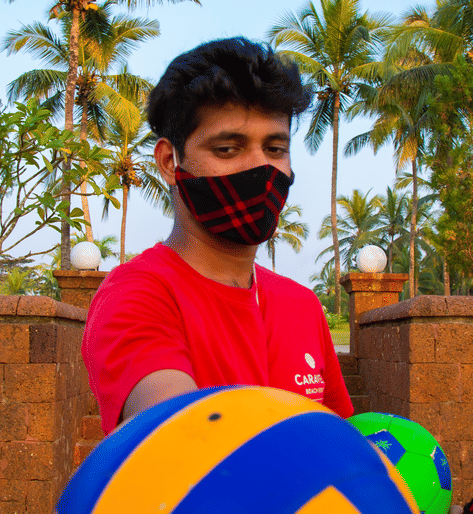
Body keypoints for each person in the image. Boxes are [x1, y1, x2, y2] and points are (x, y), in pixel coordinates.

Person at [82, 36, 353, 435]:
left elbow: (339, 444)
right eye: (228, 149)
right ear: (170, 161)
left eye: (275, 148)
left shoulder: (303, 307)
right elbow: (179, 430)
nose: (262, 166)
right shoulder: (135, 296)